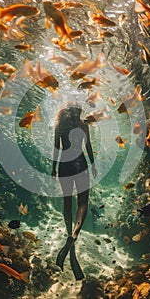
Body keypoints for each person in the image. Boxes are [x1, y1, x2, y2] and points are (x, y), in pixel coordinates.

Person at [51, 103, 97, 280]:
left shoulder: (60, 125)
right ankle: (75, 234)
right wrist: (92, 165)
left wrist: (53, 168)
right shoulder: (83, 125)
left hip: (64, 164)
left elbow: (57, 148)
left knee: (67, 203)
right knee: (83, 203)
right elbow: (88, 147)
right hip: (81, 164)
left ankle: (69, 233)